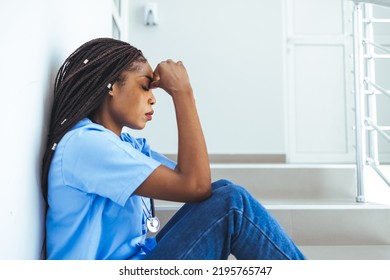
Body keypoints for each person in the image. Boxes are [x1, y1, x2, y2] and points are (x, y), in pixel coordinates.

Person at [41, 38, 306, 260]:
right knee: (232, 205)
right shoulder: (86, 145)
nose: (154, 98)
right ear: (110, 86)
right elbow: (195, 185)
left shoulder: (121, 145)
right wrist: (183, 92)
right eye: (145, 86)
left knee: (223, 190)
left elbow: (198, 186)